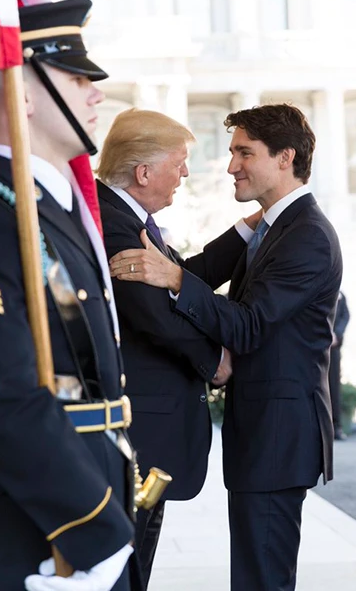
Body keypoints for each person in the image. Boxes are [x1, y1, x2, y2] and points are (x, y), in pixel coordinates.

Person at [0, 0, 138, 591]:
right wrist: (95, 533)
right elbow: (3, 396)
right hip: (36, 533)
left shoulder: (54, 213)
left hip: (88, 513)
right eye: (77, 76)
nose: (96, 93)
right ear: (25, 92)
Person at [109, 104, 342, 591]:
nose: (231, 164)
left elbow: (250, 324)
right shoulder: (277, 227)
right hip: (262, 436)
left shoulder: (308, 237)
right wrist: (196, 265)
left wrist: (174, 277)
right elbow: (204, 278)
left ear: (285, 158)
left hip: (278, 438)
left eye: (244, 152)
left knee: (263, 580)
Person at [95, 108, 260, 588]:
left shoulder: (127, 218)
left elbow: (181, 275)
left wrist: (250, 225)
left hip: (148, 430)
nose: (185, 173)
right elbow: (154, 316)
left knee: (138, 561)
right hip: (141, 431)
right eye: (179, 162)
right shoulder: (115, 225)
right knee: (128, 566)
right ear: (144, 172)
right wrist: (216, 360)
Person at [330, 291, 351, 440]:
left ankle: (336, 426)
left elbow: (345, 316)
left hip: (333, 346)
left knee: (334, 387)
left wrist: (336, 334)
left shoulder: (341, 294)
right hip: (313, 345)